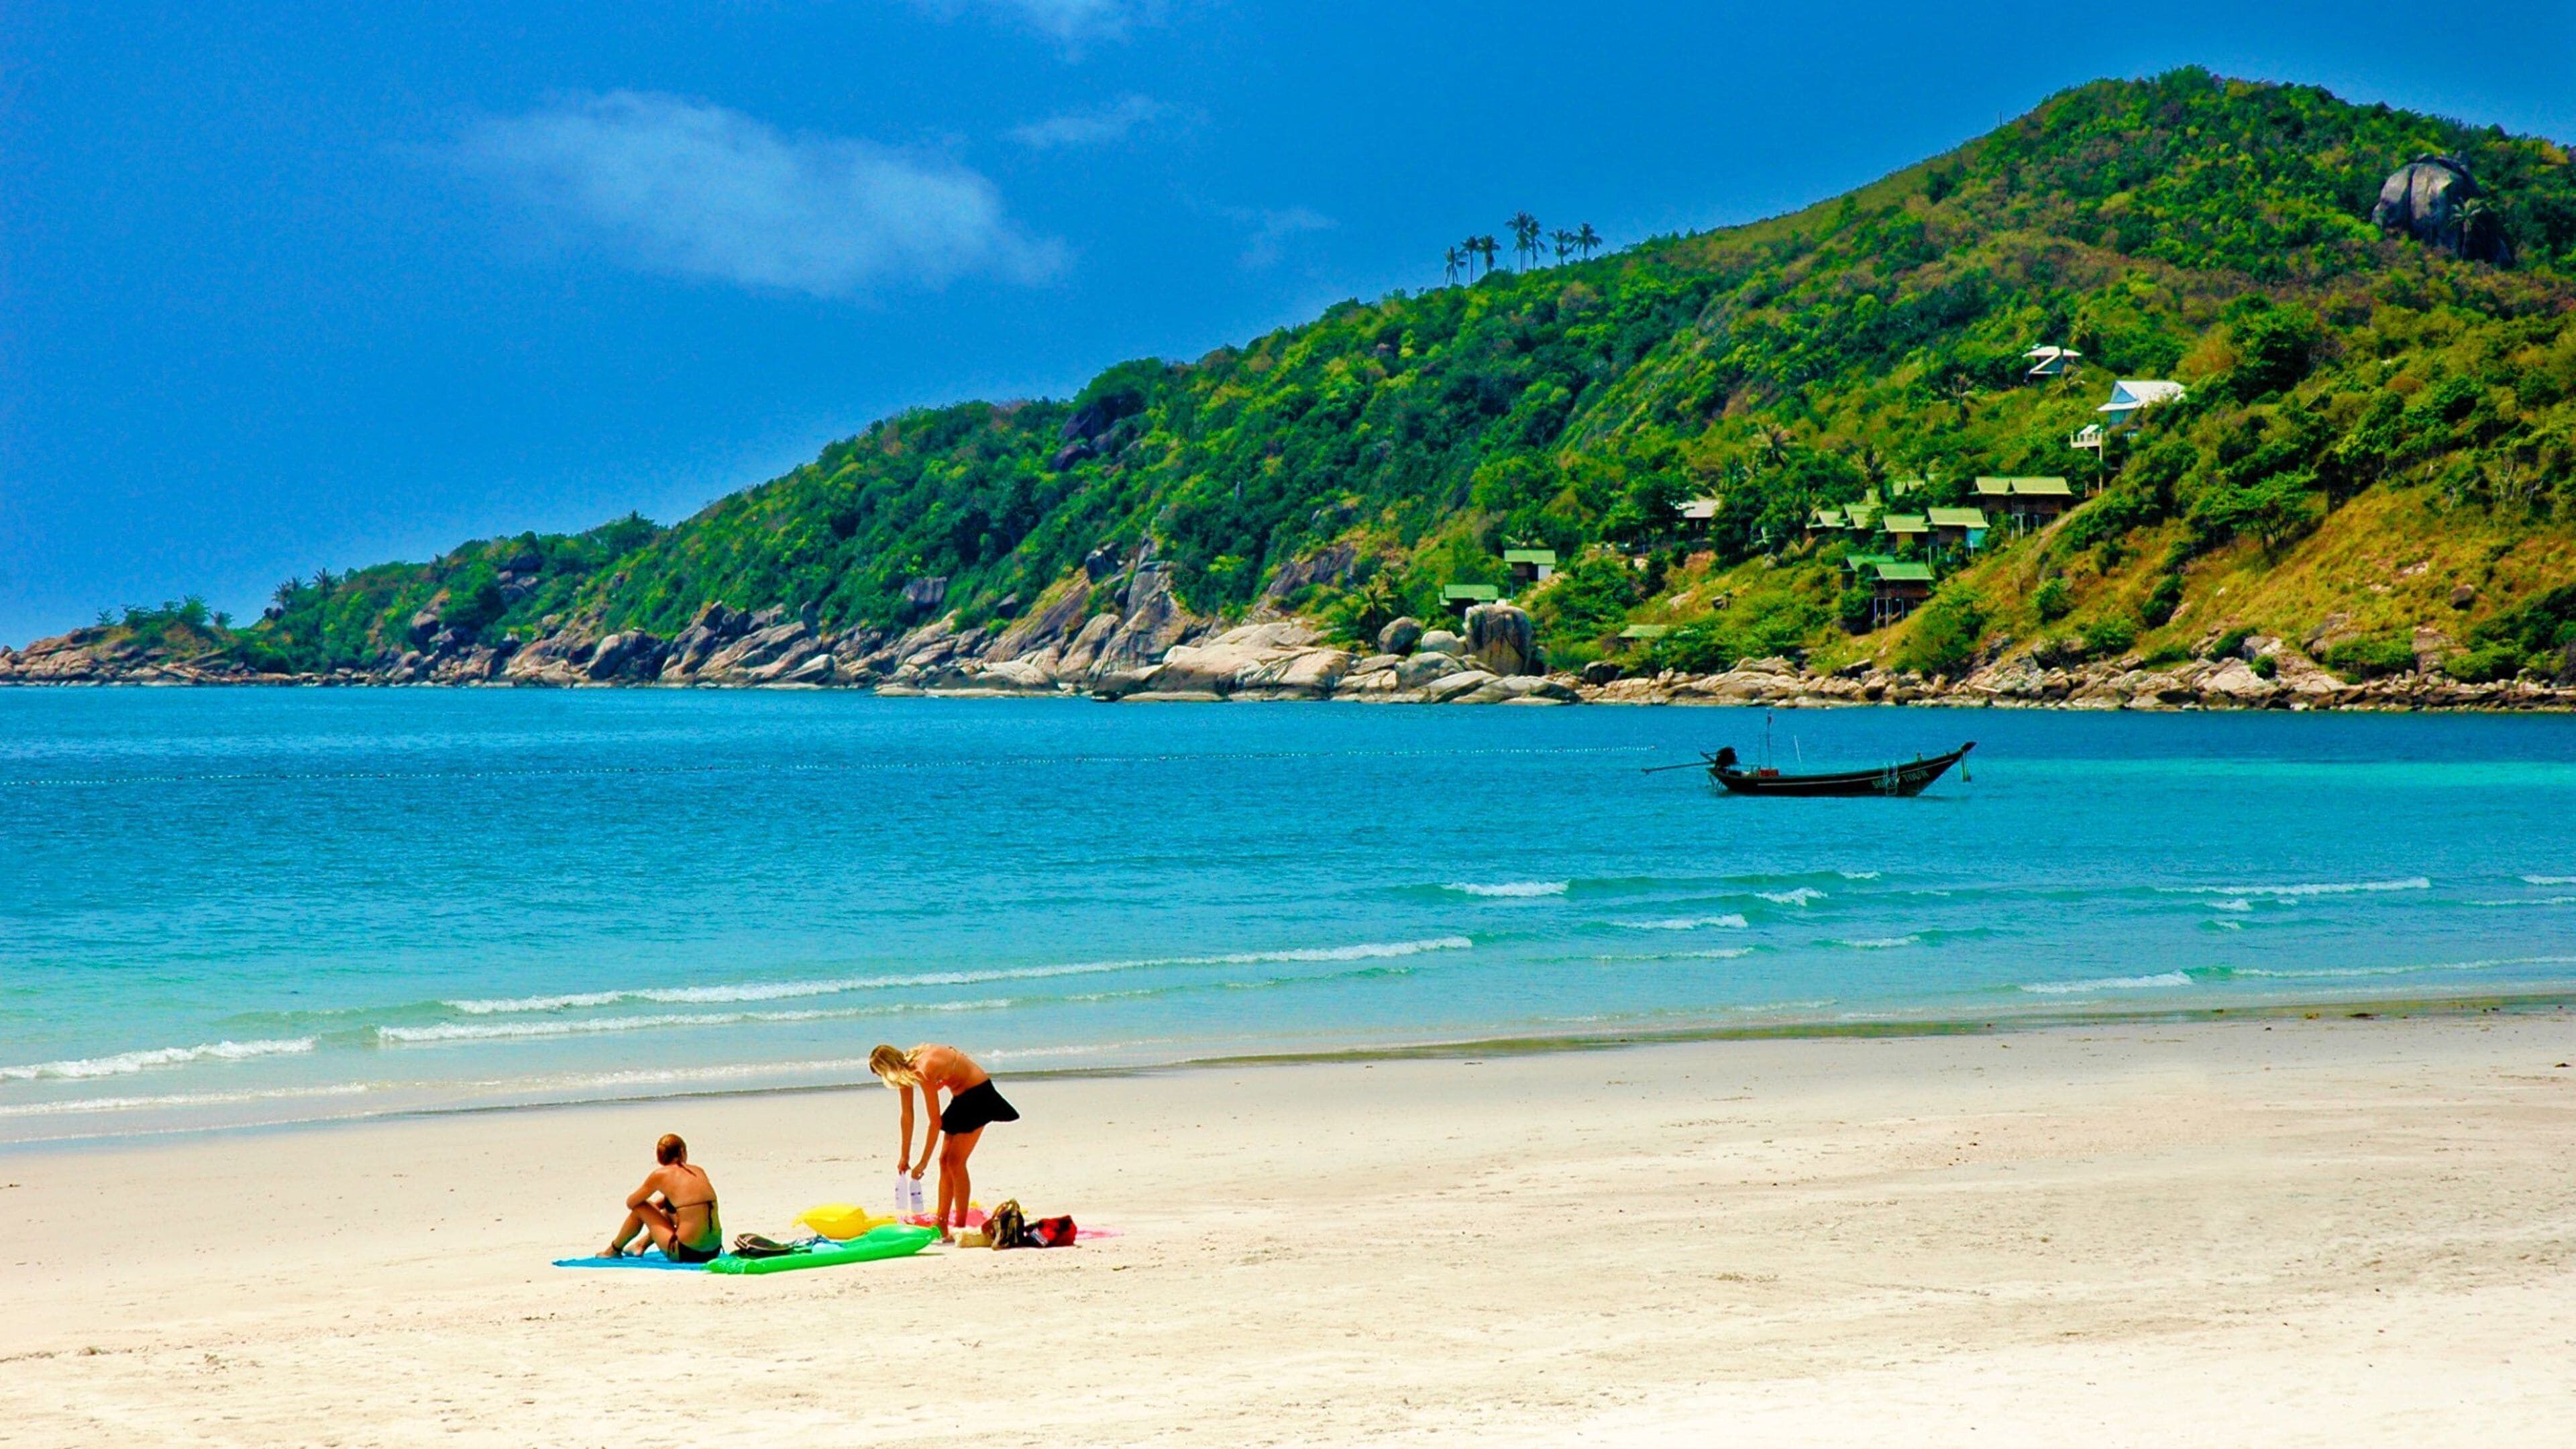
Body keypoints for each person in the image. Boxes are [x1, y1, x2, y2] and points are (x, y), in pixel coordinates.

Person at [869, 1042, 1018, 1242]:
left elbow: (935, 1121)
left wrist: (923, 1162)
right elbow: (907, 1116)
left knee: (955, 1162)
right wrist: (905, 1156)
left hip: (980, 1095)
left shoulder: (922, 1069)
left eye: (881, 1074)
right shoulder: (907, 1070)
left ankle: (960, 1227)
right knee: (944, 1161)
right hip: (962, 1097)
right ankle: (941, 1222)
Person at [604, 1132, 724, 1262]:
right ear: (682, 1152)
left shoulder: (660, 1175)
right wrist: (657, 1210)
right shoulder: (699, 1171)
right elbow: (684, 1201)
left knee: (641, 1207)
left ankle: (613, 1250)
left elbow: (632, 1203)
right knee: (669, 1211)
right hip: (714, 1251)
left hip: (686, 1252)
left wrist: (650, 1211)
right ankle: (641, 1245)